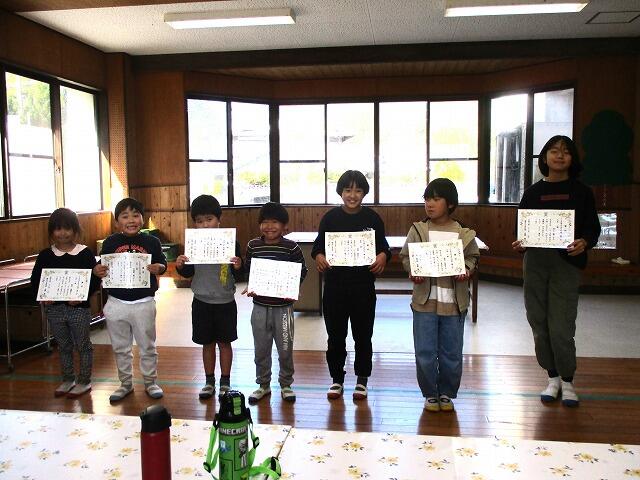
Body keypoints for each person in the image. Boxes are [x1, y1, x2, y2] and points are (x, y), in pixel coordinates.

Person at [513, 135, 600, 407]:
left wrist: (584, 242)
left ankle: (568, 380)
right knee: (538, 322)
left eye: (565, 152)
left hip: (567, 264)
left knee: (561, 326)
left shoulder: (582, 192)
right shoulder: (532, 193)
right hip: (535, 264)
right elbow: (522, 230)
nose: (559, 155)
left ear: (572, 158)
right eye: (554, 151)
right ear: (545, 157)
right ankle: (551, 377)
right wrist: (520, 242)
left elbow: (593, 229)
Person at [400, 178, 479, 412]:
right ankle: (430, 393)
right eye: (427, 199)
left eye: (436, 199)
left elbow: (472, 257)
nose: (429, 204)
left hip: (454, 304)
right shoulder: (418, 230)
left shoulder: (462, 233)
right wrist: (413, 270)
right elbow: (406, 256)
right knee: (424, 351)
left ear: (450, 203)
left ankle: (447, 392)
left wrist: (466, 269)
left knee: (451, 353)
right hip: (424, 303)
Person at [311, 170, 390, 401]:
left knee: (363, 336)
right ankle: (336, 378)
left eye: (357, 190)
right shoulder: (330, 218)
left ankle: (362, 379)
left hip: (363, 287)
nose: (352, 195)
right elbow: (318, 247)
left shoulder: (373, 218)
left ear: (364, 193)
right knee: (335, 336)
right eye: (348, 190)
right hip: (335, 288)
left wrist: (383, 256)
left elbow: (383, 247)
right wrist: (319, 257)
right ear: (341, 192)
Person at [93, 197, 167, 403]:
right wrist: (97, 270)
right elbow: (102, 267)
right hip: (116, 302)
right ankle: (125, 383)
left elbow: (162, 263)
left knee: (147, 345)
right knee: (120, 347)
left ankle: (150, 382)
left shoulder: (152, 242)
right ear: (117, 221)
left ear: (143, 219)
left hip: (144, 302)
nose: (131, 220)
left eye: (136, 215)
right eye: (125, 216)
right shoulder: (110, 242)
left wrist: (159, 268)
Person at [175, 195, 243, 399]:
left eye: (209, 219)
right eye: (199, 221)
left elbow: (240, 274)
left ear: (219, 219)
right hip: (201, 301)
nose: (205, 225)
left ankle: (226, 381)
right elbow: (188, 272)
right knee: (207, 343)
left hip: (225, 301)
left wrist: (239, 265)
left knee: (225, 343)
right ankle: (209, 381)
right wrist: (180, 266)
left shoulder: (231, 242)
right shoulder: (193, 243)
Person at [30, 208, 100, 398]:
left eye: (67, 228)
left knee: (83, 345)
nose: (63, 233)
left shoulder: (84, 253)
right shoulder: (45, 255)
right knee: (63, 345)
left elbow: (94, 280)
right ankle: (68, 379)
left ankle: (84, 381)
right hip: (54, 309)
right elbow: (36, 280)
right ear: (52, 231)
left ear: (75, 229)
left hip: (79, 309)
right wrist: (43, 296)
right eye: (58, 228)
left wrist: (83, 297)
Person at [243, 202, 307, 404]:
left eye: (275, 222)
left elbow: (302, 270)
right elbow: (248, 269)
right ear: (259, 224)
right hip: (259, 307)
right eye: (265, 222)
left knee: (285, 348)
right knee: (261, 348)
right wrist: (251, 284)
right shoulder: (253, 245)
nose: (269, 226)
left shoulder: (291, 247)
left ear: (284, 225)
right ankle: (263, 385)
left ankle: (286, 384)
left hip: (284, 309)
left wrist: (292, 286)